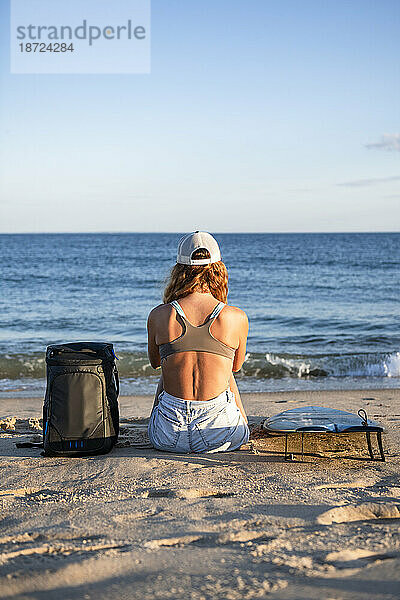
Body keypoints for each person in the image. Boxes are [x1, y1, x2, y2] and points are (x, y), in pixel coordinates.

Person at [147, 231, 250, 453]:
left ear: (179, 271)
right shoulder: (235, 317)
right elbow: (236, 367)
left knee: (169, 363)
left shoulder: (159, 315)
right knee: (225, 368)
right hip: (220, 433)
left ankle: (157, 421)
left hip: (167, 435)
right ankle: (243, 423)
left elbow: (155, 363)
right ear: (218, 269)